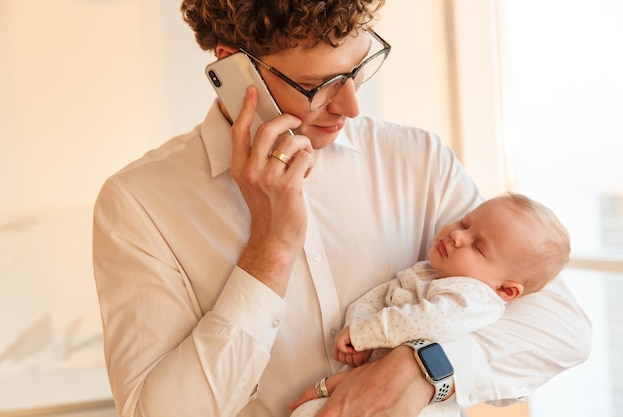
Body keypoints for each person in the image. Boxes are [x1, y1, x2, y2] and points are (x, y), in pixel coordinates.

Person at [91, 1, 591, 417]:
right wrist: (270, 248)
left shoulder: (417, 161)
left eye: (356, 69)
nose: (351, 106)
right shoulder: (138, 205)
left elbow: (561, 327)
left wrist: (422, 369)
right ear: (231, 68)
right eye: (319, 85)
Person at [289, 193, 570, 417]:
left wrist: (367, 332)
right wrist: (357, 326)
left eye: (478, 247)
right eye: (464, 223)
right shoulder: (429, 271)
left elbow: (430, 321)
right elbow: (379, 296)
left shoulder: (475, 297)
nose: (458, 236)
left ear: (506, 289)